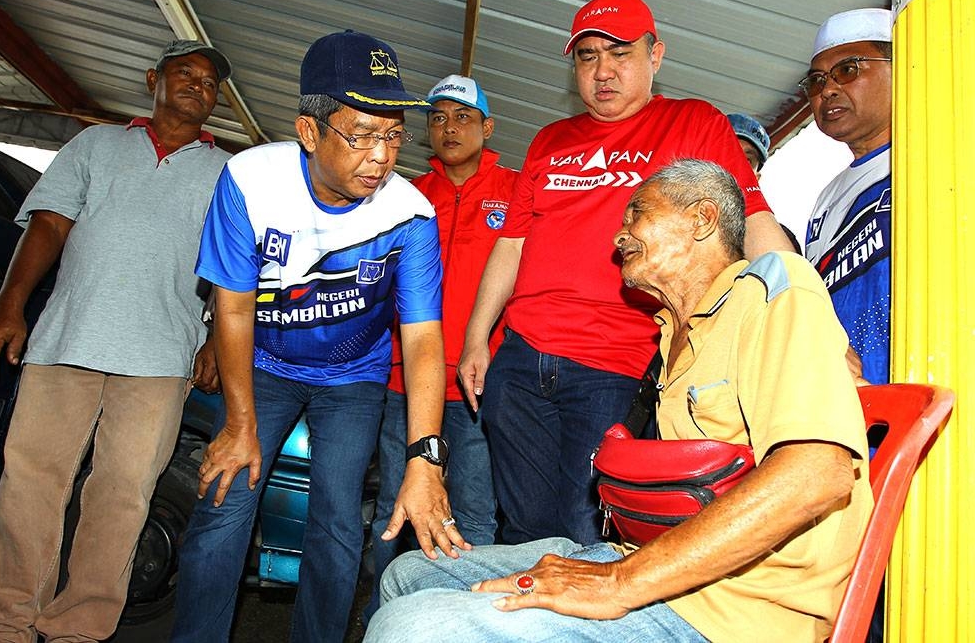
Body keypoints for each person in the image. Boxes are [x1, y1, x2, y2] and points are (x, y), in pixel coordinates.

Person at [366, 158, 872, 643]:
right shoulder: (669, 336)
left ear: (701, 218)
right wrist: (614, 568)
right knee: (410, 574)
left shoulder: (773, 291)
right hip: (646, 561)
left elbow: (816, 472)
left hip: (733, 609)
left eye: (638, 212)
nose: (618, 233)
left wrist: (616, 583)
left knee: (413, 628)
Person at [457, 0, 794, 546]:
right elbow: (511, 245)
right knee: (519, 532)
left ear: (655, 56)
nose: (603, 71)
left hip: (617, 365)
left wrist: (801, 314)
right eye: (588, 56)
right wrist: (476, 336)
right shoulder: (549, 141)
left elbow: (752, 220)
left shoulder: (694, 124)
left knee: (588, 536)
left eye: (620, 54)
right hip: (520, 364)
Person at [169, 30, 465, 643]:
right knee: (225, 501)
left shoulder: (409, 213)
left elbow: (422, 340)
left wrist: (424, 457)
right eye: (361, 135)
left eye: (392, 136)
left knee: (335, 521)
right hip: (267, 365)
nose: (381, 156)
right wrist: (239, 425)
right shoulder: (251, 181)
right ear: (309, 132)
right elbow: (232, 310)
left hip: (353, 376)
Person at [0, 39, 231, 643]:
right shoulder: (94, 144)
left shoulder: (229, 172)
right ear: (153, 79)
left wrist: (217, 338)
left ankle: (78, 632)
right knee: (30, 483)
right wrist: (8, 307)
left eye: (210, 81)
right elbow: (48, 225)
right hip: (66, 342)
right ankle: (4, 624)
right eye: (185, 73)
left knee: (123, 498)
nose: (199, 84)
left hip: (161, 358)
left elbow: (234, 263)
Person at [368, 75, 517, 615]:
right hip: (403, 382)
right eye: (437, 118)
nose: (449, 128)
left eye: (463, 117)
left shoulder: (516, 191)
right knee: (394, 505)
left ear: (487, 126)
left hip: (479, 386)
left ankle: (464, 621)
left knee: (475, 511)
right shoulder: (403, 194)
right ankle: (383, 619)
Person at [802, 8, 892, 386]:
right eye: (816, 81)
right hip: (845, 406)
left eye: (848, 69)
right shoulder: (826, 199)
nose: (828, 89)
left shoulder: (938, 157)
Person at [727, 113, 803, 253]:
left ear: (756, 178)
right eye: (729, 152)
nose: (736, 165)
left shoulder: (778, 238)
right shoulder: (677, 222)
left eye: (747, 160)